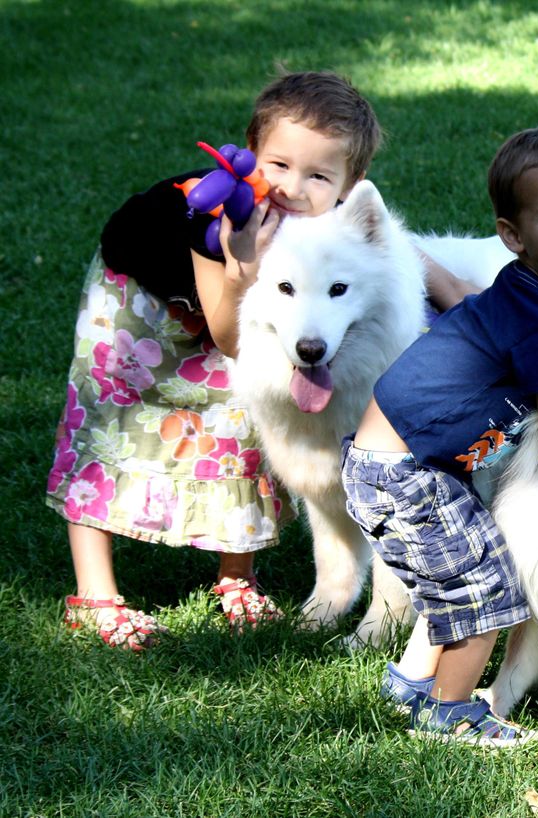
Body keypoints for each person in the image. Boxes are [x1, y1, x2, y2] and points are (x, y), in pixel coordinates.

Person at [48, 70, 467, 651]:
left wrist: (456, 294)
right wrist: (243, 267)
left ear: (348, 184)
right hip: (141, 302)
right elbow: (228, 334)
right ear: (248, 158)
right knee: (111, 427)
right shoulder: (219, 212)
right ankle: (95, 594)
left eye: (317, 175)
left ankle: (237, 579)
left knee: (234, 432)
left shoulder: (333, 218)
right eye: (279, 166)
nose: (293, 189)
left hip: (230, 305)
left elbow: (395, 248)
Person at [341, 124, 538, 746]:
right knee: (484, 588)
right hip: (405, 472)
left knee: (464, 572)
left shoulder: (528, 286)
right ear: (512, 235)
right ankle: (449, 711)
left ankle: (413, 686)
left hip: (403, 460)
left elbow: (466, 298)